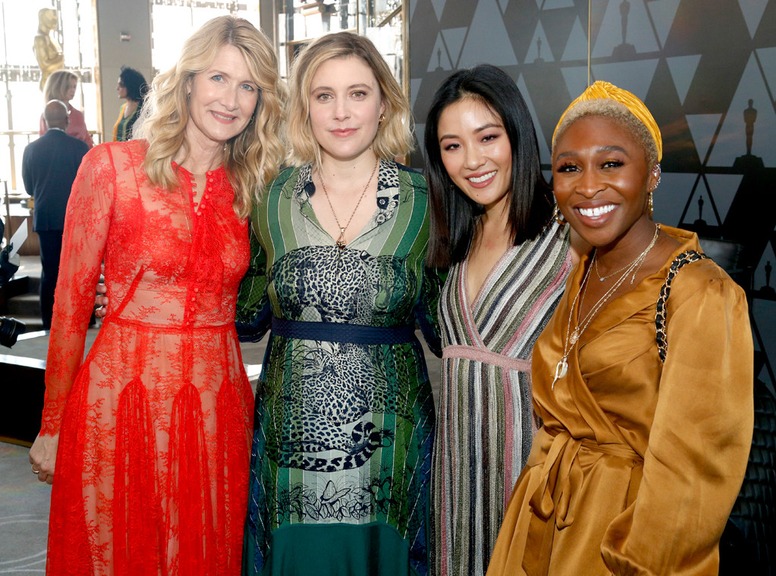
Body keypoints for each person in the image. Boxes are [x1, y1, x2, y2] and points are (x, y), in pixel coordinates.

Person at [28, 16, 285, 575]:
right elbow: (70, 306)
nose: (231, 99)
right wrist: (51, 425)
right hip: (119, 402)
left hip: (218, 410)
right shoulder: (112, 168)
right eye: (218, 78)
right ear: (187, 80)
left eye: (249, 86)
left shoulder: (257, 189)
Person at [486, 81, 754, 575]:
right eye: (569, 167)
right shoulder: (586, 267)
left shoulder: (699, 292)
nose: (588, 186)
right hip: (542, 522)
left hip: (621, 536)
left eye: (611, 164)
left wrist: (639, 561)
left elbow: (694, 475)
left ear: (652, 175)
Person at [236, 31, 443, 575]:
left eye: (358, 93)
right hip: (288, 453)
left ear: (385, 103)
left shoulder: (428, 203)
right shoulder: (270, 198)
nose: (341, 112)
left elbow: (460, 318)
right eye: (323, 95)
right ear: (304, 106)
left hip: (392, 450)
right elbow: (231, 301)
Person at [423, 64, 572, 576]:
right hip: (458, 477)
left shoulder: (569, 237)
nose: (473, 161)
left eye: (488, 137)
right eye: (452, 146)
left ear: (517, 134)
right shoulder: (455, 240)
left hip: (534, 479)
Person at [22, 99, 89, 330]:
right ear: (68, 120)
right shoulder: (80, 149)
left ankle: (49, 324)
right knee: (78, 271)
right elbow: (89, 186)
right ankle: (83, 321)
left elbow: (30, 188)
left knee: (49, 272)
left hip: (46, 219)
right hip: (75, 219)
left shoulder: (31, 149)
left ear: (44, 120)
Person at [39, 70, 94, 148]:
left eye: (74, 86)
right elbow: (44, 141)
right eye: (69, 86)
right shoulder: (47, 115)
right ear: (58, 86)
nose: (73, 90)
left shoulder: (78, 115)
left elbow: (87, 140)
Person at [112, 65, 148, 141]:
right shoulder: (123, 108)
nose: (117, 88)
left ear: (130, 86)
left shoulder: (144, 109)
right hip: (118, 151)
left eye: (121, 85)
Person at [34, 8, 63, 90]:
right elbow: (45, 65)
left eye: (55, 19)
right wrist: (60, 59)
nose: (55, 22)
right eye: (52, 18)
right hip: (49, 83)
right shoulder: (39, 39)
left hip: (56, 81)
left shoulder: (50, 38)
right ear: (43, 18)